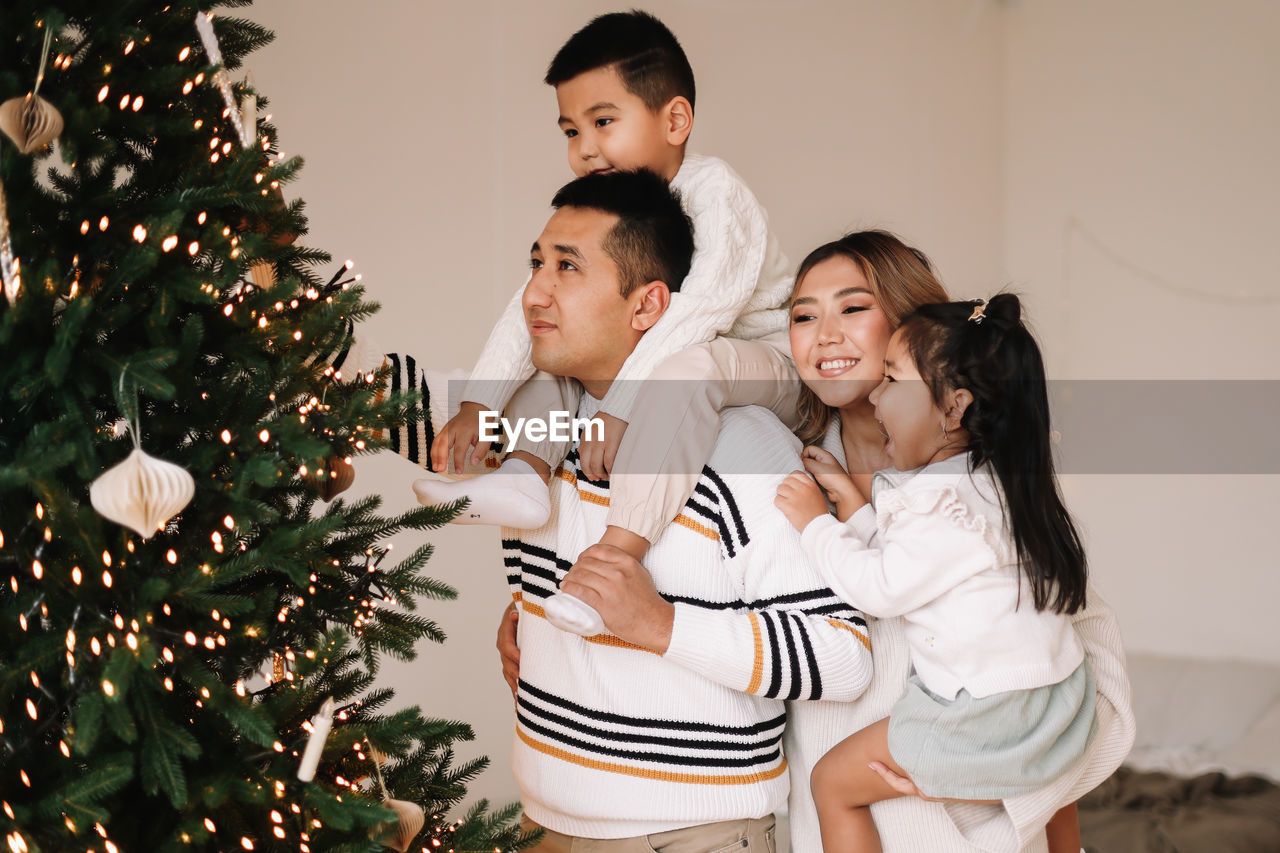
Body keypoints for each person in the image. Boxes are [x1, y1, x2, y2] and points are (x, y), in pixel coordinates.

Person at [500, 231, 1135, 852]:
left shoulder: (981, 493)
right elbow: (696, 600)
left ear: (917, 332)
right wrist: (539, 631)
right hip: (825, 824)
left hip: (971, 826)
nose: (825, 335)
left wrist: (1000, 780)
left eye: (854, 309)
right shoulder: (781, 467)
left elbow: (1069, 680)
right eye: (803, 316)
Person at [499, 169, 873, 851]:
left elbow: (843, 655)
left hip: (691, 836)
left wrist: (659, 622)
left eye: (568, 268)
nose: (534, 293)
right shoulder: (542, 442)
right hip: (540, 825)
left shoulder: (742, 444)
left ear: (647, 306)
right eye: (535, 264)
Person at [415, 11, 798, 637]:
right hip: (668, 353)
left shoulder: (714, 191)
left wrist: (622, 403)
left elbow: (700, 313)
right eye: (571, 129)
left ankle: (621, 552)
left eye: (603, 122)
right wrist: (480, 406)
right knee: (559, 345)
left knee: (682, 366)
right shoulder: (610, 209)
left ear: (675, 121)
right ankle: (525, 475)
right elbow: (530, 307)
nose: (584, 148)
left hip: (756, 355)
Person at [777, 289, 1099, 852]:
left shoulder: (934, 502)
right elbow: (918, 564)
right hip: (1058, 708)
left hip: (982, 719)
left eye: (894, 379)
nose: (878, 394)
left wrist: (815, 524)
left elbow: (881, 589)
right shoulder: (1003, 487)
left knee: (831, 783)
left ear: (954, 407)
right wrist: (854, 507)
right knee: (1056, 804)